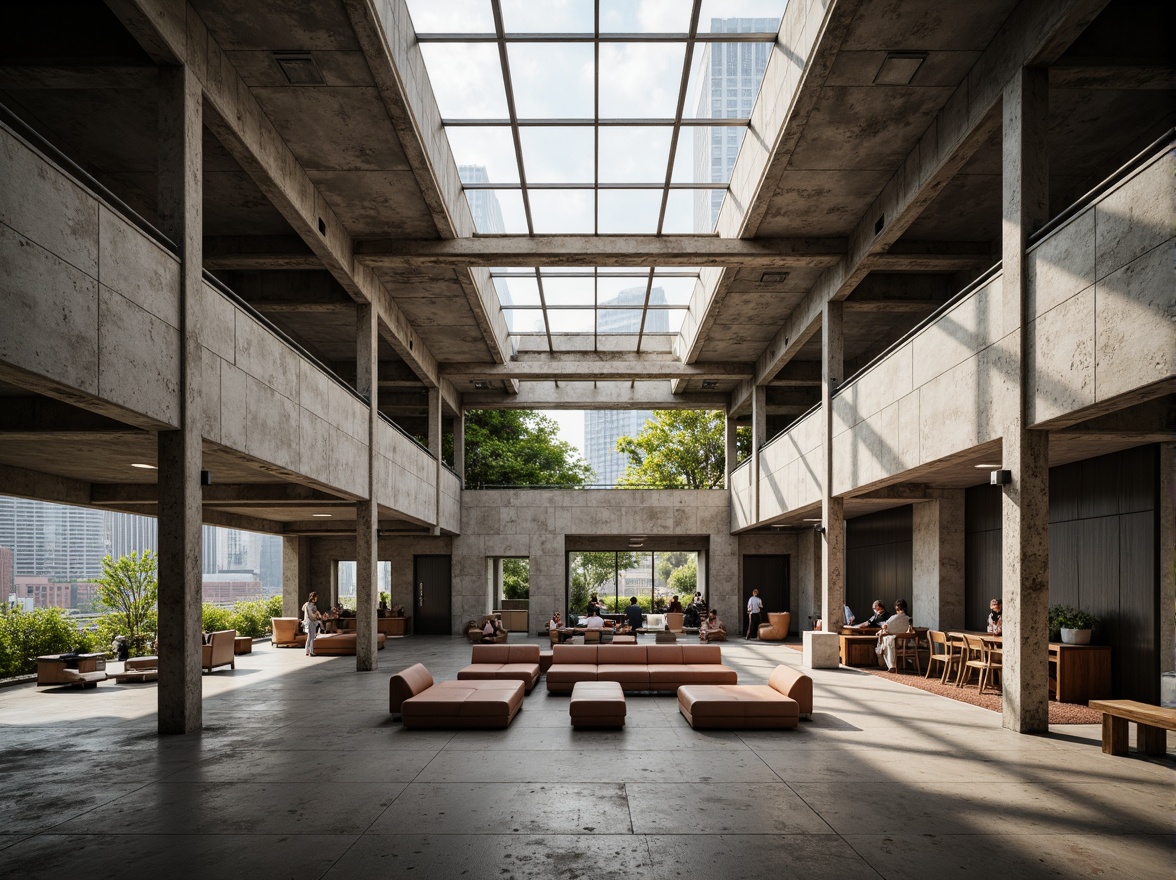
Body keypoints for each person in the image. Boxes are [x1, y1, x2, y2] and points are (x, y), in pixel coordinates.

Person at [875, 599, 912, 672]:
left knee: (887, 639)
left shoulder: (893, 618)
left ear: (896, 608)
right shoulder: (909, 619)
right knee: (889, 639)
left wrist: (882, 629)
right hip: (905, 643)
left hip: (895, 642)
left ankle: (891, 665)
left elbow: (886, 627)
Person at [301, 591, 322, 656]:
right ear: (314, 598)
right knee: (312, 636)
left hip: (307, 621)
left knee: (309, 636)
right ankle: (311, 651)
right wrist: (316, 615)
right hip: (311, 621)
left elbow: (303, 609)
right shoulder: (313, 606)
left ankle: (307, 651)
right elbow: (312, 615)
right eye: (316, 597)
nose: (317, 598)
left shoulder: (306, 604)